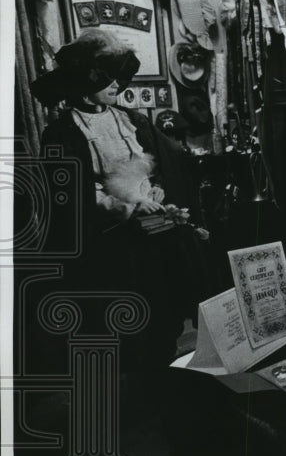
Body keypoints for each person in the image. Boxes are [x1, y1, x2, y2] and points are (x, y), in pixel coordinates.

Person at [29, 28, 213, 386]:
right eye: (106, 77)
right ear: (84, 79)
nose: (116, 84)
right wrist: (124, 208)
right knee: (129, 325)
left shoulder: (133, 119)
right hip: (110, 245)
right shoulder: (62, 132)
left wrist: (156, 194)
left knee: (165, 315)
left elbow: (160, 166)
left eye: (119, 76)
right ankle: (135, 391)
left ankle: (167, 377)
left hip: (154, 239)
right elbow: (71, 192)